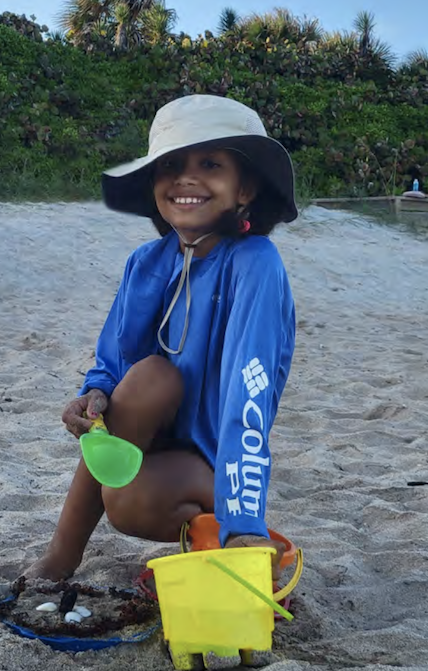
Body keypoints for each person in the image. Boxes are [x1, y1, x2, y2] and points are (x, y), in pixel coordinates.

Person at [25, 94, 298, 582]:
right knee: (149, 375)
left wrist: (245, 525)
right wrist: (93, 394)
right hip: (150, 438)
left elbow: (249, 394)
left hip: (215, 458)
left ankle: (224, 529)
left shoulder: (255, 264)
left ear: (246, 188)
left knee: (133, 503)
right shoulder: (146, 262)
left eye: (210, 163)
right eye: (170, 165)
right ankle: (61, 555)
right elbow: (113, 360)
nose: (186, 178)